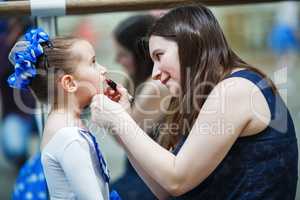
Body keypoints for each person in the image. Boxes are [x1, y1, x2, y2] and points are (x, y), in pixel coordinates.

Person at [91, 4, 298, 200]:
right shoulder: (215, 92)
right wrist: (124, 119)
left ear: (190, 44)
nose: (155, 73)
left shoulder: (236, 89)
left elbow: (176, 180)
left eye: (159, 56)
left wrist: (119, 121)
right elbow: (165, 190)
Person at [8, 28, 121, 200]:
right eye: (93, 62)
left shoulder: (63, 122)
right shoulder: (70, 137)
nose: (103, 69)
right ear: (69, 83)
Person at [112, 14, 169, 200]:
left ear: (141, 55)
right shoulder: (136, 81)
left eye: (123, 54)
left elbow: (124, 139)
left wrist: (106, 108)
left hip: (151, 178)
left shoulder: (155, 86)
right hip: (139, 170)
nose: (117, 60)